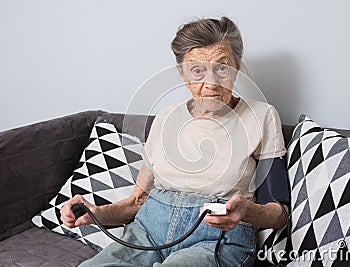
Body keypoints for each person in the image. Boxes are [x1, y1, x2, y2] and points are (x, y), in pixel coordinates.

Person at [60, 17, 290, 267]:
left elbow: (280, 213)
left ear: (237, 67)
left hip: (216, 241)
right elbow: (138, 202)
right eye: (198, 71)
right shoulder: (166, 117)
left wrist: (246, 211)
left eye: (222, 68)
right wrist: (95, 213)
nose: (211, 83)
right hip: (147, 234)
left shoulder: (262, 116)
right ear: (182, 73)